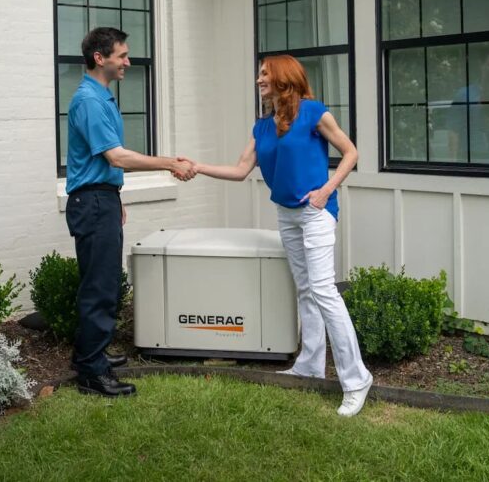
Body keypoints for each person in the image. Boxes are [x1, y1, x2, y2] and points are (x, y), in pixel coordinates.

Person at [194, 55, 373, 417]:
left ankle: (356, 380)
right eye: (259, 75)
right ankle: (309, 365)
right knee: (305, 289)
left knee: (323, 290)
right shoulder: (262, 127)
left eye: (264, 74)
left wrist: (327, 189)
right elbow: (240, 170)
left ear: (282, 77)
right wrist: (197, 167)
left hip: (316, 211)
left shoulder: (313, 112)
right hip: (286, 213)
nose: (259, 80)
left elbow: (350, 152)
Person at [65, 26, 196, 398]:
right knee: (101, 287)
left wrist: (115, 195)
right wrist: (170, 163)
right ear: (100, 58)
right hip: (93, 203)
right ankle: (92, 373)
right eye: (121, 55)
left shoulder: (101, 97)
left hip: (101, 198)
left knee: (101, 282)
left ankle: (89, 355)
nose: (127, 61)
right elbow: (116, 157)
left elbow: (102, 164)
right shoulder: (90, 101)